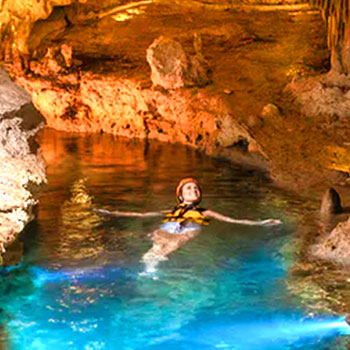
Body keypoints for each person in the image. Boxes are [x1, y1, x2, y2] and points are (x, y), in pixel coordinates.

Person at [95, 177, 281, 273]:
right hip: (166, 229)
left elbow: (232, 220)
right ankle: (150, 264)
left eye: (195, 188)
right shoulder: (172, 210)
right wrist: (112, 213)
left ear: (199, 195)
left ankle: (152, 268)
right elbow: (142, 214)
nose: (193, 190)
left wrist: (262, 223)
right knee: (153, 249)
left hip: (187, 231)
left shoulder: (205, 212)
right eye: (188, 188)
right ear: (181, 195)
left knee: (169, 247)